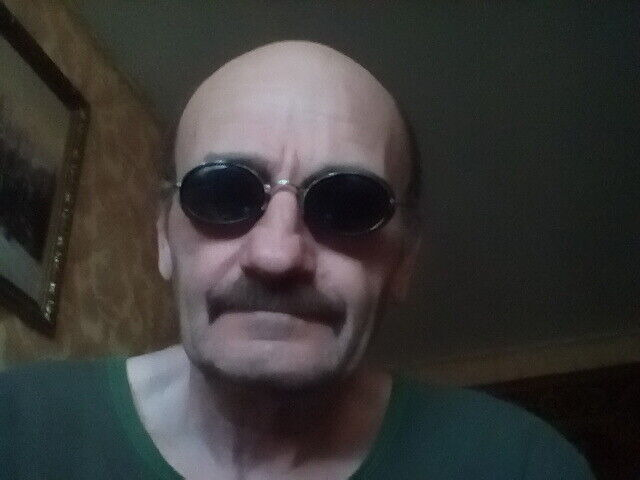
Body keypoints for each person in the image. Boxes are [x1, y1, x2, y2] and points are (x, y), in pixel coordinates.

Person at [0, 41, 594, 480]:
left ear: (403, 262)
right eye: (223, 192)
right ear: (163, 236)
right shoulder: (16, 428)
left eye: (348, 204)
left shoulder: (520, 465)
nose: (277, 254)